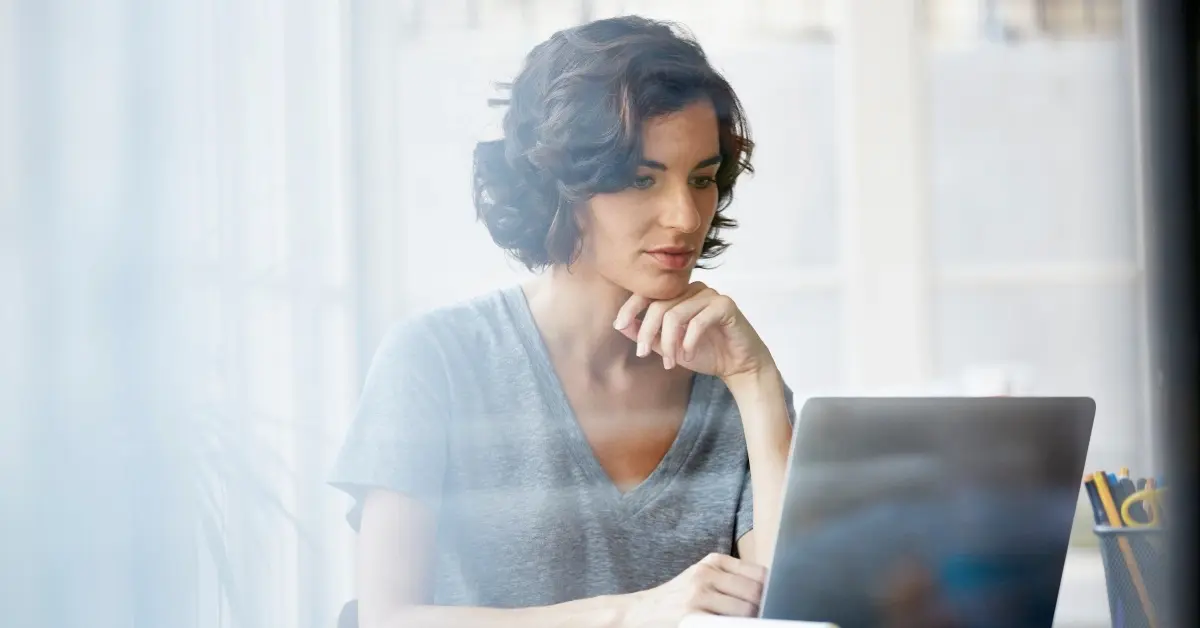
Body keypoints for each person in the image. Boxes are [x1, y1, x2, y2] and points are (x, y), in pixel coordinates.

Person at [329, 15, 796, 628]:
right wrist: (631, 615)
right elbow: (386, 619)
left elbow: (792, 606)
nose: (685, 216)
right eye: (640, 179)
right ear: (558, 184)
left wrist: (756, 381)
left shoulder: (733, 380)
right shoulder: (435, 359)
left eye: (703, 179)